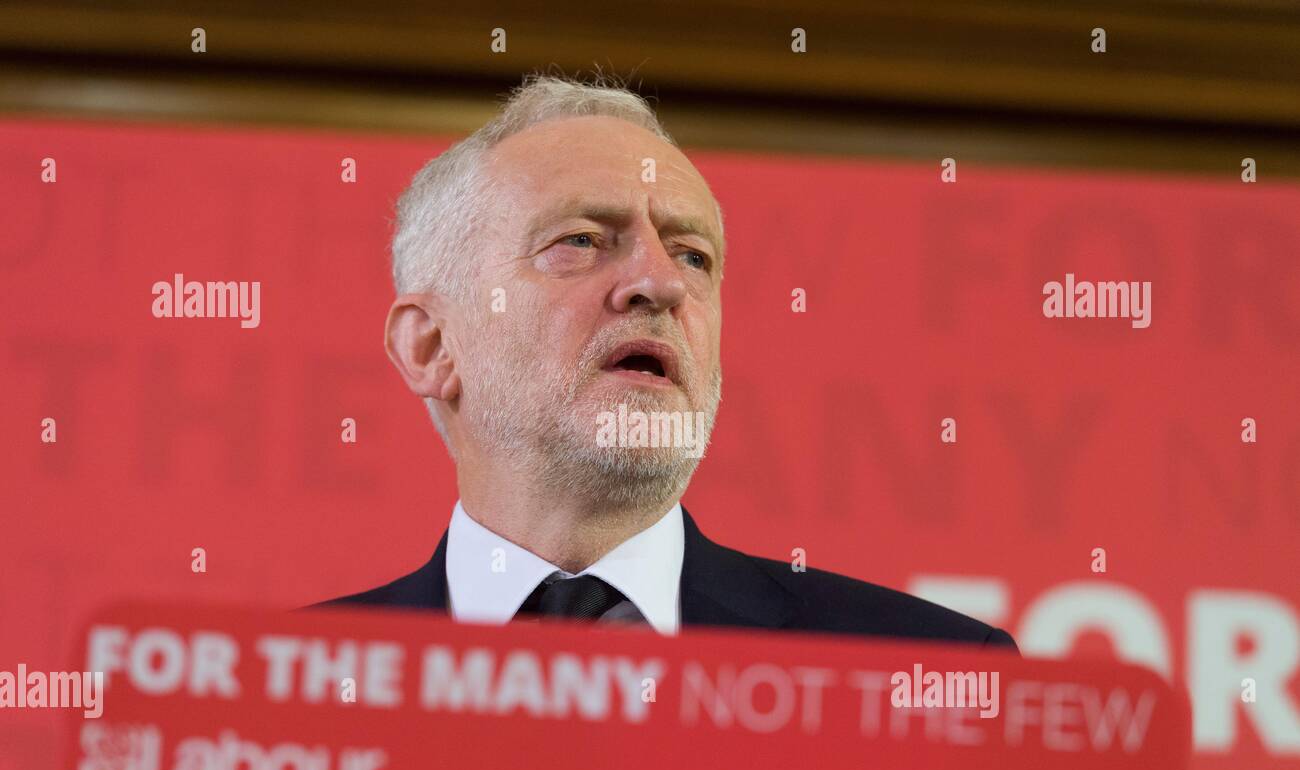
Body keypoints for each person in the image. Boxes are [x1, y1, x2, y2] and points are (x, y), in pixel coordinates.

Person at [319, 73, 1017, 653]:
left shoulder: (928, 673)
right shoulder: (302, 681)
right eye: (583, 240)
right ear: (432, 348)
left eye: (692, 255)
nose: (661, 283)